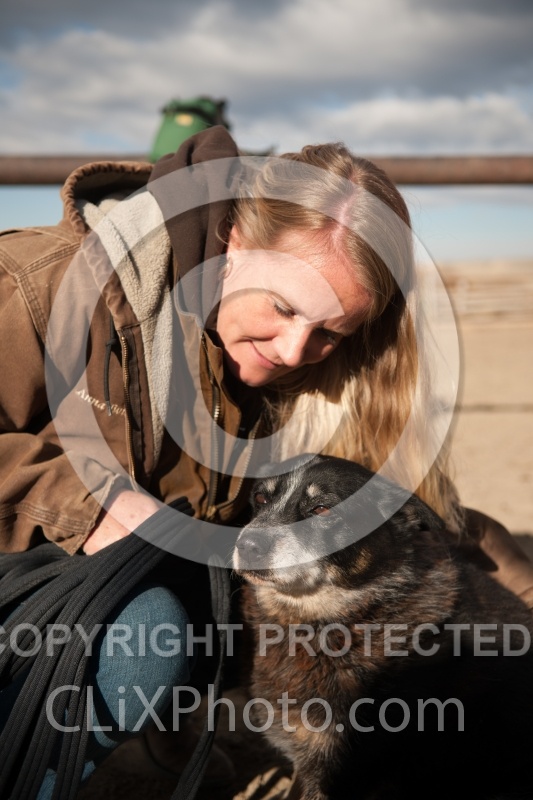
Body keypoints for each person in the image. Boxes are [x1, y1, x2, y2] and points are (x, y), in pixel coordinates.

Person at [1, 125, 532, 795]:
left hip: (134, 582)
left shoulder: (317, 375)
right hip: (30, 569)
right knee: (149, 637)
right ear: (234, 240)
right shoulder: (41, 282)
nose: (291, 350)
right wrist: (88, 503)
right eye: (281, 307)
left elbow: (418, 519)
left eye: (328, 331)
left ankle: (157, 731)